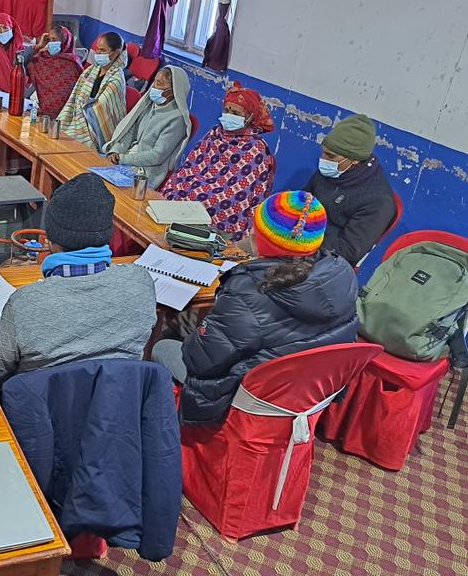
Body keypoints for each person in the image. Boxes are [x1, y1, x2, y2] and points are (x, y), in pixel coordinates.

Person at [152, 191, 359, 425]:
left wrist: (198, 333)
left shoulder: (249, 291)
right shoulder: (341, 273)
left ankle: (163, 427)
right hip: (303, 395)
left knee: (164, 346)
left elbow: (201, 361)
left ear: (262, 237)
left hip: (245, 397)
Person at [0, 173, 157, 388]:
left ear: (51, 240)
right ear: (107, 233)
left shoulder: (25, 303)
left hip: (39, 414)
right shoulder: (141, 283)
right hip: (116, 408)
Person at [159, 81, 275, 241]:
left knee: (200, 201)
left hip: (224, 201)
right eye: (227, 110)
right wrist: (182, 186)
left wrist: (201, 196)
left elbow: (239, 191)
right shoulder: (215, 133)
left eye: (236, 113)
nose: (229, 116)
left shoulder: (255, 149)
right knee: (173, 188)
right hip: (198, 187)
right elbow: (191, 165)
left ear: (249, 117)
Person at [305, 113, 397, 266]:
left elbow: (348, 252)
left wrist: (303, 238)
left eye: (330, 156)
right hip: (301, 239)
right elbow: (301, 199)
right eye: (323, 152)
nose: (323, 159)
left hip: (326, 261)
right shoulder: (332, 172)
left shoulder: (378, 201)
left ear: (354, 159)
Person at [103, 65, 192, 189]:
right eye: (154, 81)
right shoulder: (149, 105)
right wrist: (116, 151)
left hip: (145, 172)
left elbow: (156, 156)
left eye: (159, 84)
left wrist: (122, 159)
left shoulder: (177, 119)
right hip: (125, 159)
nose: (153, 87)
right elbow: (130, 132)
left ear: (174, 91)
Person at [56, 32, 127, 149]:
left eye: (102, 50)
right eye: (97, 49)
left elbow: (101, 109)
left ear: (115, 53)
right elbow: (75, 96)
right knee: (57, 133)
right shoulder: (92, 70)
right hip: (78, 118)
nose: (98, 53)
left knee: (69, 144)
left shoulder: (117, 79)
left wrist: (83, 110)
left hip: (94, 128)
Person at [26, 25, 83, 119]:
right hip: (43, 113)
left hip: (64, 116)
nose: (51, 43)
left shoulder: (72, 63)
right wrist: (39, 47)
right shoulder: (42, 58)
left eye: (54, 40)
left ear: (65, 42)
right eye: (49, 40)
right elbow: (22, 64)